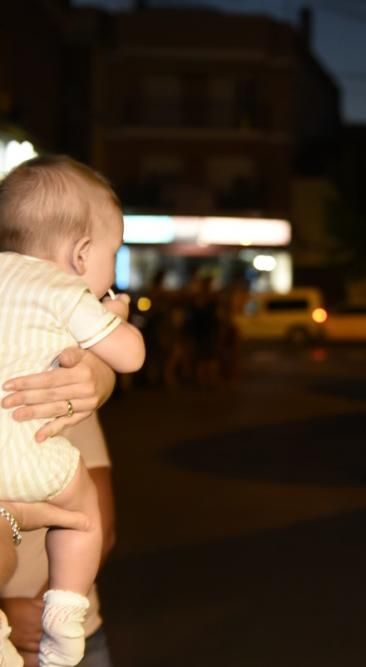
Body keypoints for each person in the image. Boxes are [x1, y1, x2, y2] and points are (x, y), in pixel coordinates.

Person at [0, 156, 145, 667]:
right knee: (83, 514)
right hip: (33, 463)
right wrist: (116, 320)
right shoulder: (60, 293)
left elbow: (92, 379)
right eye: (114, 252)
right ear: (81, 255)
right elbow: (129, 356)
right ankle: (66, 603)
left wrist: (95, 378)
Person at [1, 415, 117, 667]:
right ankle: (63, 609)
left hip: (47, 615)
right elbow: (88, 520)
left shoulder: (63, 394)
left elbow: (104, 525)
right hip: (55, 616)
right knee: (82, 515)